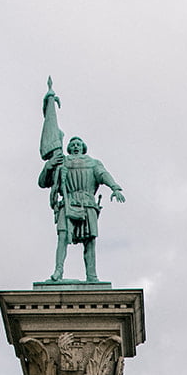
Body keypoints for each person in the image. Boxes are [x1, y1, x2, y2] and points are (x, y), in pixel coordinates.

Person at [37, 80, 125, 283]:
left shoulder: (93, 163)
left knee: (90, 241)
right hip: (67, 203)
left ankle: (91, 275)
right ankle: (58, 271)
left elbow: (104, 175)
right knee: (62, 237)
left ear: (83, 147)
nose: (75, 146)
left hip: (87, 204)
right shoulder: (62, 161)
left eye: (78, 144)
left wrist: (115, 187)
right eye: (72, 144)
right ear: (68, 148)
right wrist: (50, 164)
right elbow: (43, 182)